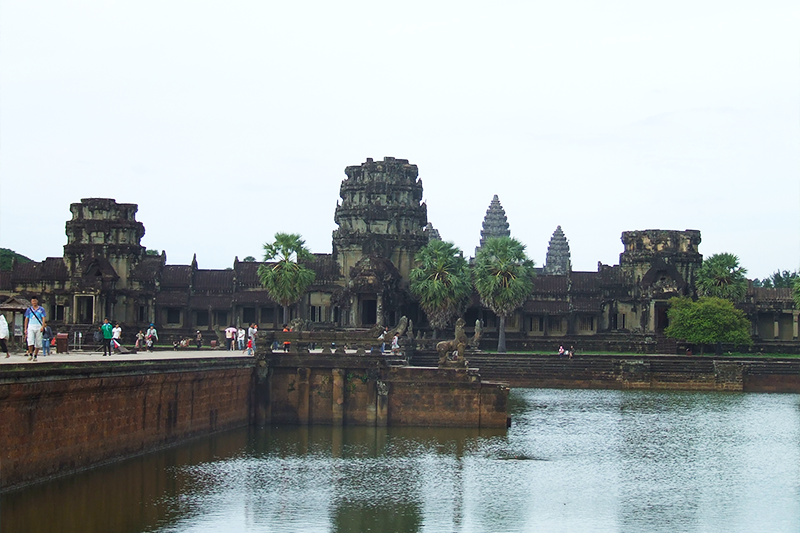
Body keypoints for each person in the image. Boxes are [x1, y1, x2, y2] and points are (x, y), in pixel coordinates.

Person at [24, 297, 47, 361]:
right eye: (32, 301)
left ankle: (35, 355)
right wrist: (25, 328)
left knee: (38, 342)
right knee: (30, 340)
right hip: (31, 326)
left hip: (38, 326)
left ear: (37, 301)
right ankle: (30, 353)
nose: (34, 302)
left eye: (35, 301)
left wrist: (42, 326)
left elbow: (43, 318)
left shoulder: (41, 309)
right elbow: (26, 319)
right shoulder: (29, 310)